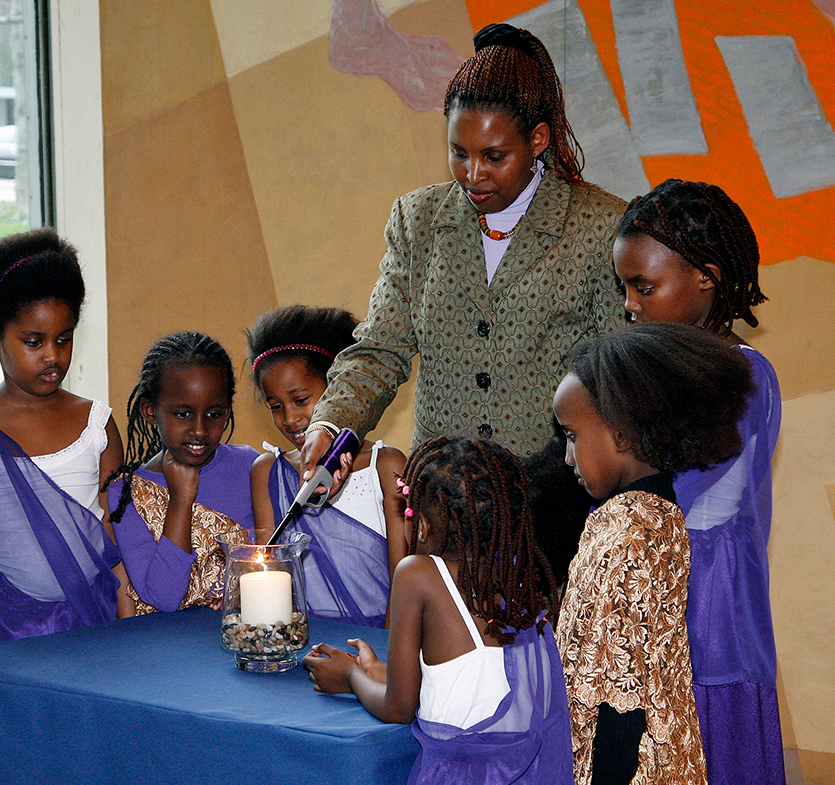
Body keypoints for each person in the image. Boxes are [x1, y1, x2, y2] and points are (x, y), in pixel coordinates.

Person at [301, 21, 627, 492]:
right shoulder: (418, 219)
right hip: (442, 499)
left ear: (537, 140)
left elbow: (620, 380)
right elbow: (379, 350)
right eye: (459, 153)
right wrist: (331, 427)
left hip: (553, 498)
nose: (473, 175)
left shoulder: (600, 226)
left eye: (495, 157)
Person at [613, 179, 784, 785]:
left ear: (706, 276)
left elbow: (690, 508)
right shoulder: (661, 373)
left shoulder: (741, 377)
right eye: (625, 288)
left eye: (645, 286)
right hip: (659, 614)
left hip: (709, 624)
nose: (630, 304)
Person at [302, 437, 572, 785]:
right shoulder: (515, 578)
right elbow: (466, 684)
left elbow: (398, 709)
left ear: (424, 526)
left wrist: (350, 678)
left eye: (409, 511)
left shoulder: (418, 574)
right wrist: (373, 669)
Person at [552, 323, 753, 785]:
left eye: (571, 435)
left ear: (621, 433)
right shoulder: (659, 514)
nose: (566, 457)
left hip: (624, 768)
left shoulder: (626, 533)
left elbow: (621, 700)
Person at [0, 228, 129, 653]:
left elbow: (115, 537)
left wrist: (127, 633)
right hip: (3, 636)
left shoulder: (97, 425)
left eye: (64, 338)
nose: (53, 356)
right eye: (33, 342)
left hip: (94, 629)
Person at [245, 304, 406, 627]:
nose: (290, 418)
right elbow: (272, 571)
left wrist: (383, 656)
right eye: (275, 406)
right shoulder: (268, 472)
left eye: (301, 400)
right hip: (300, 638)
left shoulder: (385, 467)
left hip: (378, 640)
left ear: (339, 392)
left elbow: (403, 580)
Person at [106, 332, 256, 614]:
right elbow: (163, 597)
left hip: (245, 640)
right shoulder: (127, 493)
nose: (200, 430)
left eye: (214, 414)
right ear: (150, 411)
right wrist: (180, 500)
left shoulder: (252, 468)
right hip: (167, 650)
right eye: (183, 414)